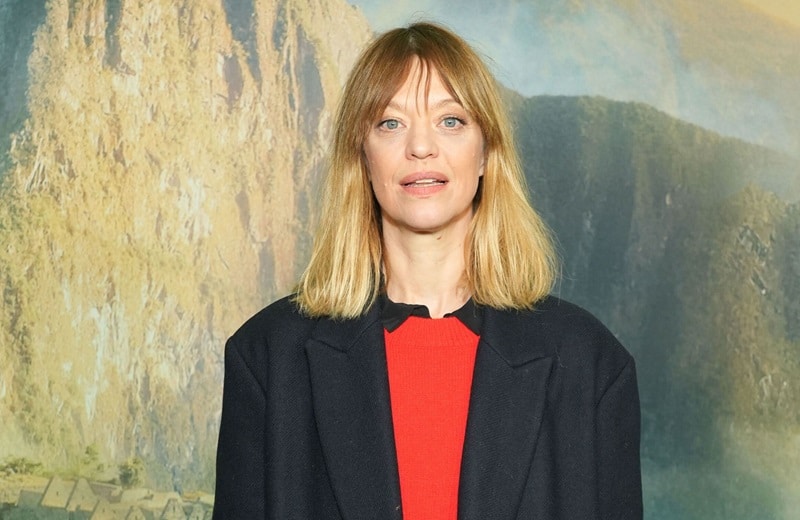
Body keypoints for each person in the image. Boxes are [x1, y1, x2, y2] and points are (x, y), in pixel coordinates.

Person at [212, 22, 642, 520]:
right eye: (390, 123)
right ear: (362, 156)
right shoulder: (267, 357)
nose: (421, 146)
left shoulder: (591, 364)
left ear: (486, 153)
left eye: (450, 121)